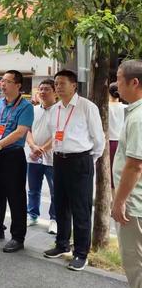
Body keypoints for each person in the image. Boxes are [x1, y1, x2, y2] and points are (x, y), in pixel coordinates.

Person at [43, 69, 105, 271]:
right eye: (56, 83)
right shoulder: (55, 109)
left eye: (62, 83)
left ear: (74, 85)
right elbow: (55, 136)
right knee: (60, 204)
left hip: (80, 161)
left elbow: (99, 141)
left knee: (80, 208)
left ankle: (81, 253)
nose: (58, 87)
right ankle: (61, 244)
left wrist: (87, 160)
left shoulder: (87, 107)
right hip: (59, 160)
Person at [0, 70, 34, 253]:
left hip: (12, 155)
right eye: (2, 81)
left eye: (7, 81)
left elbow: (20, 131)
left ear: (18, 85)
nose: (3, 84)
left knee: (16, 197)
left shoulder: (26, 107)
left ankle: (18, 237)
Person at [112, 60, 142, 288]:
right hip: (136, 198)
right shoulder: (134, 112)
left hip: (134, 203)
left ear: (135, 82)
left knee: (135, 260)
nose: (116, 83)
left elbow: (134, 165)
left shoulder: (139, 117)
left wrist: (119, 201)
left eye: (119, 78)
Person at [26, 79, 57, 235]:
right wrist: (33, 146)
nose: (43, 92)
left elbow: (58, 135)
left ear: (55, 92)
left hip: (52, 158)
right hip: (33, 157)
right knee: (33, 189)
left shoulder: (60, 110)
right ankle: (32, 215)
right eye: (41, 89)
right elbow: (27, 130)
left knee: (55, 191)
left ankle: (54, 219)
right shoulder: (33, 110)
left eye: (47, 89)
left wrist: (42, 149)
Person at [109, 82, 126, 197]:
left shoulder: (104, 107)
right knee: (123, 171)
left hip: (109, 142)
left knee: (110, 173)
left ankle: (113, 199)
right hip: (123, 142)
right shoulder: (127, 108)